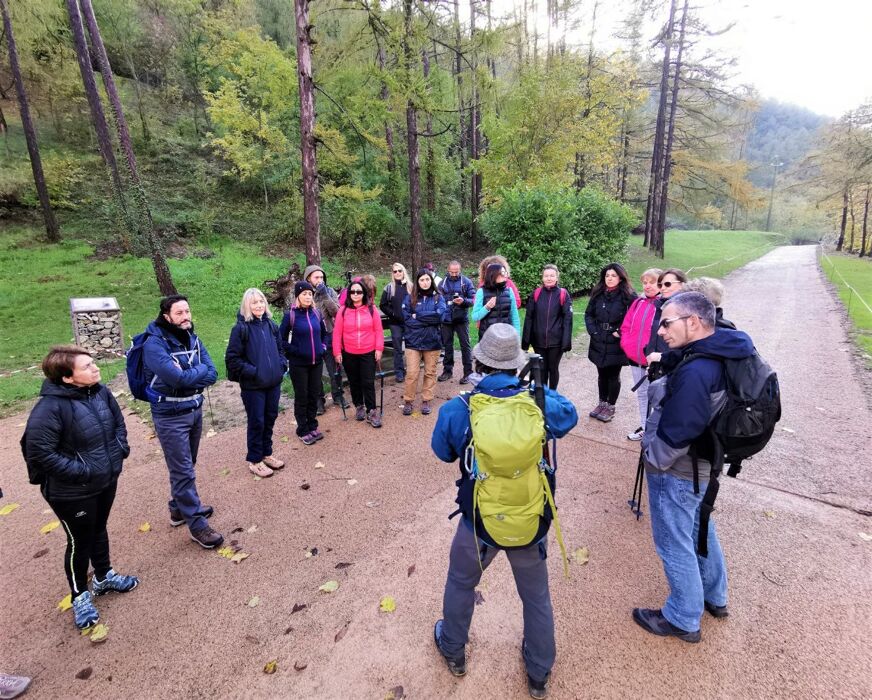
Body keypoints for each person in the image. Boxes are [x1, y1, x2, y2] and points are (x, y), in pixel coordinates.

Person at [431, 324, 578, 700]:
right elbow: (570, 417)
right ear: (518, 364)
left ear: (478, 359)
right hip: (530, 515)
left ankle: (453, 649)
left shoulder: (459, 408)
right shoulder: (540, 403)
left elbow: (443, 452)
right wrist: (538, 390)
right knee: (536, 597)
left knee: (462, 582)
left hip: (479, 518)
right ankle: (539, 672)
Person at [634, 292, 754, 643]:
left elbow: (678, 431)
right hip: (703, 464)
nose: (661, 330)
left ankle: (683, 617)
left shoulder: (699, 370)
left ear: (693, 322)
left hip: (680, 471)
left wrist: (651, 458)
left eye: (667, 322)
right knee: (701, 527)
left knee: (673, 541)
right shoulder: (716, 351)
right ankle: (714, 596)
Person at [22, 346, 138, 629]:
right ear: (67, 378)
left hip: (105, 479)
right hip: (72, 492)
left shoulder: (100, 392)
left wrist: (120, 448)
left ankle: (103, 576)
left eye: (93, 363)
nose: (95, 368)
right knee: (78, 541)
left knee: (99, 528)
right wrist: (83, 472)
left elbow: (118, 423)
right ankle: (80, 596)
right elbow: (38, 451)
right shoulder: (50, 408)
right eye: (87, 366)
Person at [142, 294, 222, 549]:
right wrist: (193, 374)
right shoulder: (154, 345)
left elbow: (213, 372)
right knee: (183, 470)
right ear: (166, 316)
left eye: (187, 311)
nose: (186, 316)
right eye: (179, 313)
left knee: (188, 463)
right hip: (170, 415)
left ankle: (178, 508)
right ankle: (197, 525)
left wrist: (190, 373)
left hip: (194, 408)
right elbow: (179, 380)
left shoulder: (192, 337)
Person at [225, 288, 286, 477]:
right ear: (247, 306)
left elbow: (280, 349)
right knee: (257, 421)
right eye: (254, 302)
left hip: (273, 383)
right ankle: (255, 460)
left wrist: (281, 365)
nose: (259, 305)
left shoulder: (271, 325)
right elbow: (232, 359)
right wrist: (254, 372)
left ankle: (266, 453)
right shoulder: (241, 329)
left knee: (270, 418)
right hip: (253, 386)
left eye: (261, 301)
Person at [584, 263, 635, 422]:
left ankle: (611, 406)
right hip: (599, 338)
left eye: (613, 275)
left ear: (620, 277)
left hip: (616, 341)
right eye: (607, 275)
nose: (610, 278)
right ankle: (602, 403)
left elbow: (634, 317)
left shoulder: (629, 295)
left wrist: (620, 331)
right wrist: (594, 331)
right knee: (601, 374)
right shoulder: (598, 293)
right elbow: (588, 314)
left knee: (613, 375)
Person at [281, 281, 328, 445]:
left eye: (310, 294)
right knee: (302, 396)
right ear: (297, 296)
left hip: (316, 363)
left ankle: (312, 425)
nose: (308, 296)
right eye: (304, 294)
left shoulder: (316, 313)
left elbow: (324, 335)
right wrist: (296, 351)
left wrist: (323, 347)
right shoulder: (290, 316)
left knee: (313, 394)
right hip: (298, 364)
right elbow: (281, 341)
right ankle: (302, 429)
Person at [333, 280, 384, 428]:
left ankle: (372, 410)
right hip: (349, 352)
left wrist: (379, 349)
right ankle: (359, 406)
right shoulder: (342, 311)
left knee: (368, 382)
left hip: (368, 351)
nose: (356, 294)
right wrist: (337, 352)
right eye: (353, 292)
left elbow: (378, 331)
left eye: (359, 292)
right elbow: (337, 333)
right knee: (354, 382)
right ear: (349, 294)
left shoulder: (371, 309)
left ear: (364, 294)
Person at [619, 268, 662, 441]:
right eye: (645, 282)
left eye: (652, 282)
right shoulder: (638, 302)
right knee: (642, 394)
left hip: (655, 361)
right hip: (635, 358)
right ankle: (645, 427)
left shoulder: (664, 305)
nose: (648, 286)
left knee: (658, 395)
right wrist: (626, 344)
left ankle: (657, 431)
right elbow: (626, 325)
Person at [303, 264, 349, 414]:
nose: (320, 280)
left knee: (334, 369)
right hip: (311, 337)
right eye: (316, 277)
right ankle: (319, 401)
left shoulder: (328, 292)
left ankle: (338, 396)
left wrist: (325, 295)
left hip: (329, 335)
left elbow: (336, 312)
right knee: (315, 371)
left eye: (322, 277)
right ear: (308, 278)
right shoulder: (304, 293)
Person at [401, 269, 448, 416]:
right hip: (413, 341)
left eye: (427, 279)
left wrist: (418, 316)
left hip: (432, 341)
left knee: (430, 372)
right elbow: (407, 319)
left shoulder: (438, 298)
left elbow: (440, 317)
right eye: (422, 280)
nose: (425, 282)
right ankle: (408, 400)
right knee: (412, 373)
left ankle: (426, 399)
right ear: (417, 282)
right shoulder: (410, 298)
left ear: (431, 281)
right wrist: (428, 319)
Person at [521, 264, 573, 389]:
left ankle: (552, 394)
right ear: (542, 278)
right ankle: (541, 394)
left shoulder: (563, 294)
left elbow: (568, 319)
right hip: (538, 340)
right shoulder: (536, 293)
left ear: (557, 277)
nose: (549, 278)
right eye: (546, 276)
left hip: (556, 341)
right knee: (540, 369)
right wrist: (526, 341)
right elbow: (529, 317)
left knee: (553, 368)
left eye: (552, 275)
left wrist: (566, 342)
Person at [437, 261, 476, 384]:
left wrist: (463, 301)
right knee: (447, 345)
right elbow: (437, 300)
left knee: (465, 345)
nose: (454, 274)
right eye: (451, 272)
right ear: (447, 270)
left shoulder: (466, 282)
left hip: (461, 319)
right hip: (446, 319)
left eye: (456, 272)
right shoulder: (441, 283)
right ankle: (447, 371)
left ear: (460, 270)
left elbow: (473, 299)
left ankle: (468, 373)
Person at [644, 268, 688, 369]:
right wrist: (648, 352)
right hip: (657, 364)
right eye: (660, 285)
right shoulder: (660, 305)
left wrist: (663, 358)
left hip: (674, 366)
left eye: (667, 284)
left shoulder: (687, 308)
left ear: (682, 284)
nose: (663, 288)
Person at [379, 263, 412, 384]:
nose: (397, 273)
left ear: (404, 272)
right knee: (397, 348)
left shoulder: (411, 286)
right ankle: (399, 372)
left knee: (411, 348)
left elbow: (415, 303)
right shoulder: (389, 287)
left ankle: (411, 371)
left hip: (409, 323)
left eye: (400, 271)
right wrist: (392, 313)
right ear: (392, 273)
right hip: (395, 323)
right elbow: (382, 304)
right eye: (395, 271)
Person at [472, 263, 521, 342]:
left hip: (506, 337)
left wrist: (517, 338)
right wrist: (487, 307)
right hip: (487, 339)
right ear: (493, 275)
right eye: (502, 273)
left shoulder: (509, 291)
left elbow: (515, 317)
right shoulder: (481, 292)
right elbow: (475, 317)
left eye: (505, 272)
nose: (505, 275)